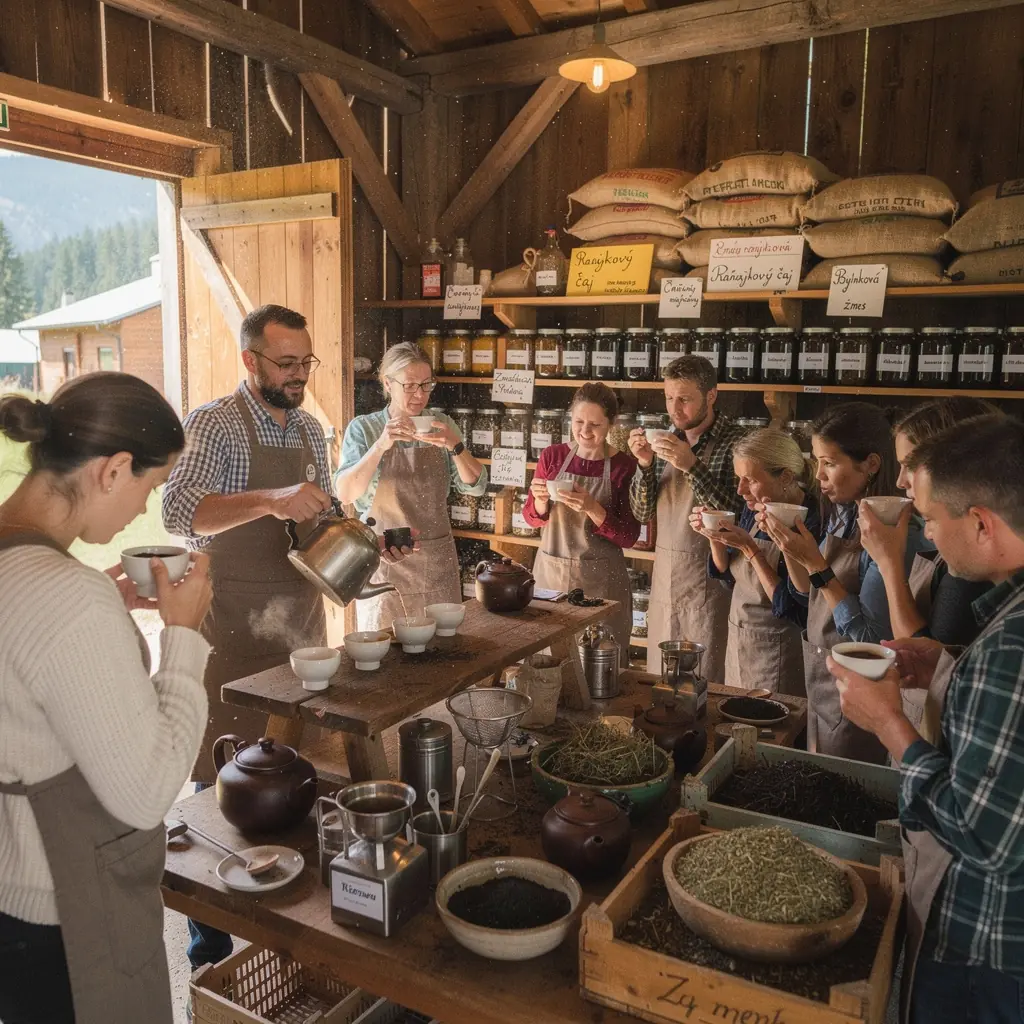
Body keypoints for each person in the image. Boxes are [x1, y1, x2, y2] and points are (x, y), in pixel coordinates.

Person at [0, 374, 213, 1024]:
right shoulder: (68, 598)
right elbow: (146, 792)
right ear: (113, 470)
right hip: (68, 916)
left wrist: (97, 618)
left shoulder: (36, 575)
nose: (142, 508)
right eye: (149, 487)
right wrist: (183, 634)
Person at [827, 414, 1024, 1024]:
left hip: (983, 954)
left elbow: (981, 833)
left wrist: (889, 724)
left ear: (982, 524)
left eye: (933, 521)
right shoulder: (1003, 623)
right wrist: (948, 659)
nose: (930, 537)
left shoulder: (1010, 648)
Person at [761, 402, 932, 764]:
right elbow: (809, 597)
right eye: (816, 461)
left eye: (830, 463)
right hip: (827, 684)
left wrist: (815, 563)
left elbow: (873, 641)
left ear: (871, 464)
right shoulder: (842, 515)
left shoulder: (893, 534)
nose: (817, 475)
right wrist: (788, 546)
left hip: (865, 696)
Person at [336, 342, 487, 630]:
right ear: (387, 383)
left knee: (442, 654)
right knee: (384, 659)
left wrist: (455, 446)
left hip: (435, 564)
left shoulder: (442, 424)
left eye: (427, 384)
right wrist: (381, 444)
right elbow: (345, 493)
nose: (420, 394)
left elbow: (476, 487)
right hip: (384, 565)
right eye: (410, 385)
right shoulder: (364, 429)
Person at [627, 355, 746, 680]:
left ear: (711, 396)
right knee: (662, 688)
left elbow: (737, 518)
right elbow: (641, 513)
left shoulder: (735, 444)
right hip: (666, 585)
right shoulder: (667, 438)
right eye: (669, 398)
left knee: (706, 686)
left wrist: (691, 465)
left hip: (713, 589)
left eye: (684, 399)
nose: (674, 409)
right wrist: (644, 465)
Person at [688, 427, 820, 695]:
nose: (740, 490)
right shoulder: (754, 510)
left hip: (779, 650)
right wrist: (714, 536)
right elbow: (727, 578)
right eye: (738, 479)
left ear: (785, 476)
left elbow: (794, 608)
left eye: (749, 480)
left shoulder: (814, 521)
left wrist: (750, 549)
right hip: (741, 639)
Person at [858, 397, 998, 648]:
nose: (901, 481)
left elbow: (932, 661)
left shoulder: (973, 558)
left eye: (909, 465)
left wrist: (889, 563)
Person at [523, 382, 641, 654]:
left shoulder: (625, 466)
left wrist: (592, 507)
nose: (585, 431)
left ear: (611, 424)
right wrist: (540, 500)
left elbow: (629, 537)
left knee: (598, 662)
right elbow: (532, 519)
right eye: (578, 421)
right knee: (549, 661)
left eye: (595, 425)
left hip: (602, 584)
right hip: (551, 577)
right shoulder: (552, 456)